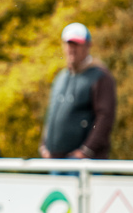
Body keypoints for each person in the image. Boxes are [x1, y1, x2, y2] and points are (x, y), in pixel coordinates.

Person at [40, 23, 117, 160]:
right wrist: (44, 146)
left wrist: (86, 150)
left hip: (82, 163)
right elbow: (52, 115)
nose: (72, 49)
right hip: (55, 159)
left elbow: (105, 117)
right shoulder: (61, 77)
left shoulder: (100, 77)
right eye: (69, 44)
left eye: (77, 44)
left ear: (88, 46)